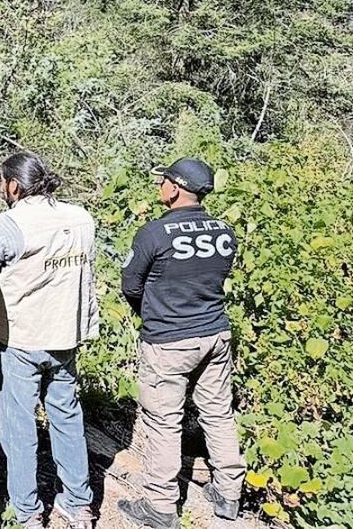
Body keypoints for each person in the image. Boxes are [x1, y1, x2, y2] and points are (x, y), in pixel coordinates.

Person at [117, 158, 244, 528]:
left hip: (169, 340)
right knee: (219, 413)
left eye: (163, 181)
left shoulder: (153, 233)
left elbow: (131, 286)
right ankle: (229, 493)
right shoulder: (225, 231)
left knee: (163, 421)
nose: (160, 187)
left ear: (174, 188)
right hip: (216, 334)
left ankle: (160, 506)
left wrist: (152, 311)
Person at [0, 152, 98, 529]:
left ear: (13, 185)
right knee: (67, 415)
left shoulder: (6, 225)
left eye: (2, 181)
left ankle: (27, 510)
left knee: (19, 423)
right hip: (65, 335)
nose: (1, 188)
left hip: (21, 338)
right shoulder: (81, 218)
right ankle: (79, 503)